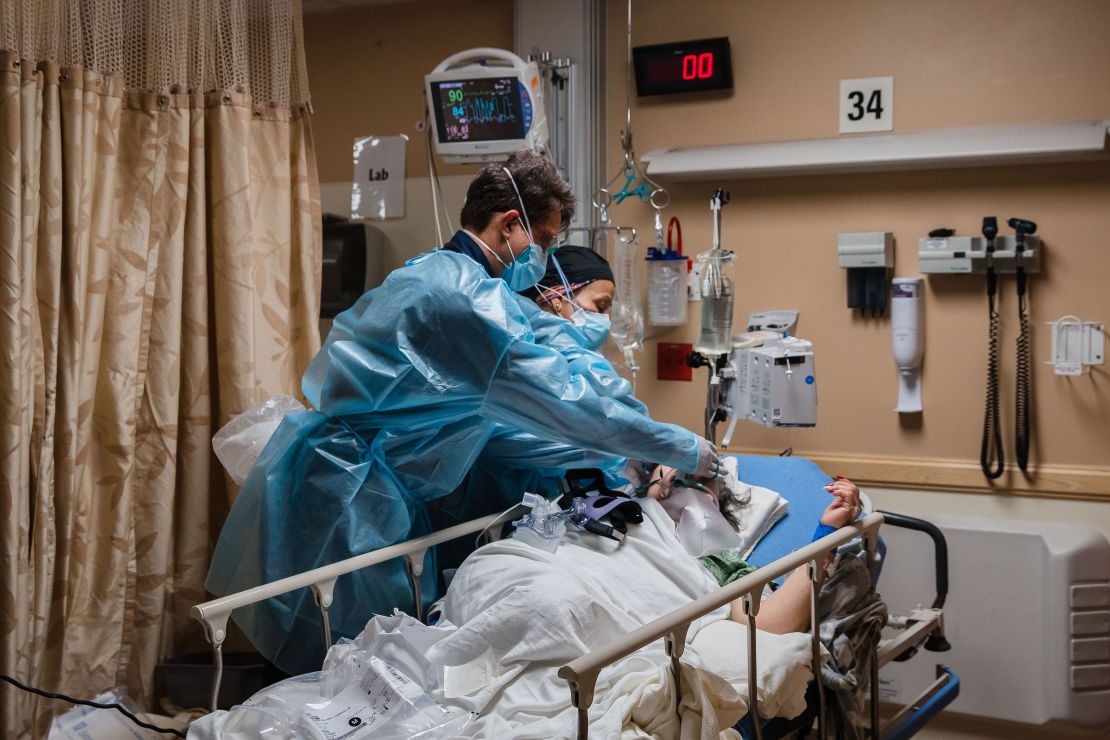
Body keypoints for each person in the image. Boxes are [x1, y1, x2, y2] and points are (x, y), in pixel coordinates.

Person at [207, 150, 719, 674]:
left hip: (344, 478)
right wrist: (679, 446)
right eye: (542, 240)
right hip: (351, 497)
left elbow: (544, 344)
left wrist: (626, 433)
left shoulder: (445, 276)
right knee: (348, 674)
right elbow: (569, 402)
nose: (543, 255)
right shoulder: (464, 302)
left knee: (358, 669)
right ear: (510, 225)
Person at [646, 466, 862, 634]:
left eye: (704, 479)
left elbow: (767, 624)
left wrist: (827, 533)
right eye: (679, 474)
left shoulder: (716, 561)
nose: (690, 487)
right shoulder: (623, 525)